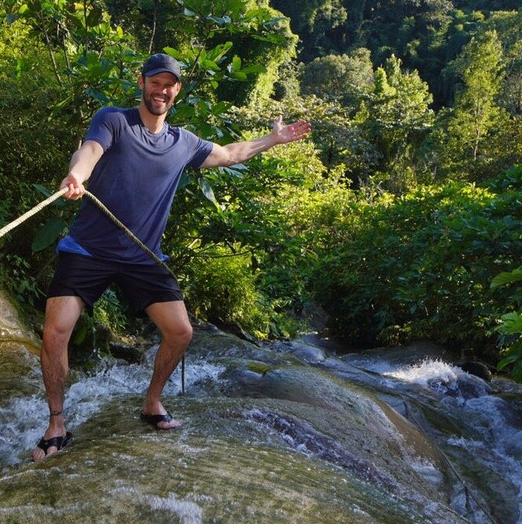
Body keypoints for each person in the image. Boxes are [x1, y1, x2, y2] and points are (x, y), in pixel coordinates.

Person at [32, 52, 312, 461]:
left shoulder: (184, 143)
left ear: (177, 90)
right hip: (88, 249)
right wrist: (77, 174)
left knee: (181, 332)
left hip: (143, 256)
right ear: (142, 83)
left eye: (169, 85)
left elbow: (230, 154)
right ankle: (56, 422)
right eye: (155, 82)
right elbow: (90, 150)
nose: (161, 90)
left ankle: (152, 402)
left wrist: (273, 139)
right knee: (56, 332)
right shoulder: (115, 120)